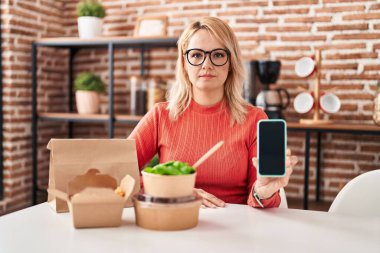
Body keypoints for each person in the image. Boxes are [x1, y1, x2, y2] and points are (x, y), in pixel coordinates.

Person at [128, 17, 298, 208]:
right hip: (176, 222)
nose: (206, 64)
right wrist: (172, 189)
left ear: (231, 62)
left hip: (234, 228)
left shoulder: (254, 119)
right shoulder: (160, 115)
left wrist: (263, 191)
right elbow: (118, 173)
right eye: (196, 55)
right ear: (184, 62)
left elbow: (259, 200)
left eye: (217, 55)